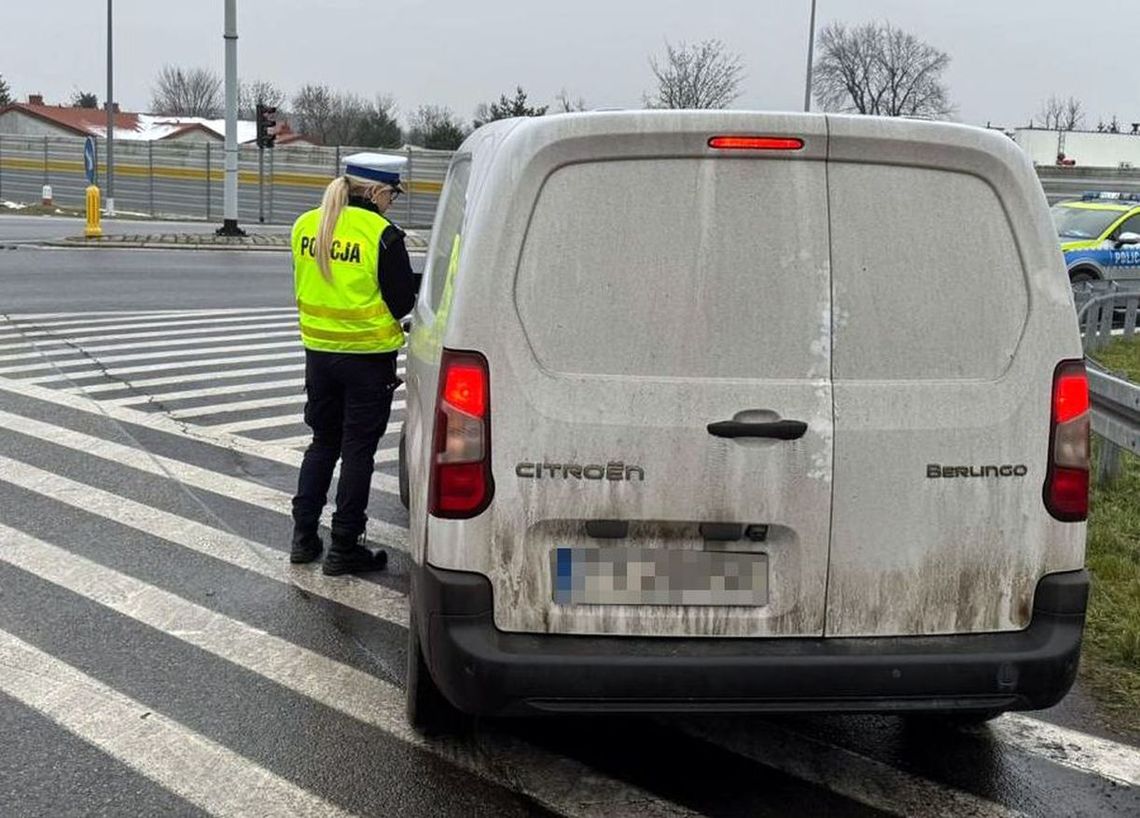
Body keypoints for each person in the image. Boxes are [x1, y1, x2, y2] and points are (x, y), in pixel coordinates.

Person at [289, 153, 420, 575]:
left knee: (322, 444)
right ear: (378, 191)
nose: (393, 203)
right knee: (357, 451)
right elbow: (402, 302)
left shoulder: (306, 225)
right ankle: (345, 547)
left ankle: (303, 538)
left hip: (319, 356)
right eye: (393, 195)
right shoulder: (383, 236)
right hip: (367, 360)